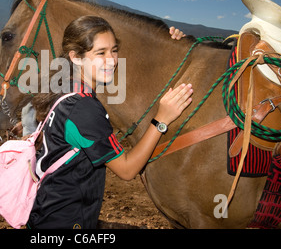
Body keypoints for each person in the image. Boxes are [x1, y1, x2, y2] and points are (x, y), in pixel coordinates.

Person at [26, 16, 192, 229]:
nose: (112, 60)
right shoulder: (83, 109)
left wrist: (172, 44)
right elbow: (126, 169)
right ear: (76, 57)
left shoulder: (65, 89)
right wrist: (162, 119)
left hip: (47, 215)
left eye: (114, 50)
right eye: (101, 53)